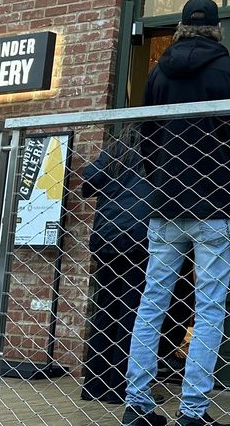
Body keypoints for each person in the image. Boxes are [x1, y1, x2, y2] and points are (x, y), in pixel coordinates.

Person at [123, 0, 230, 426]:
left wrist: (159, 182)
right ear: (217, 28)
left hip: (165, 204)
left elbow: (146, 136)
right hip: (214, 203)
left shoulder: (158, 73)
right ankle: (193, 412)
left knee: (152, 302)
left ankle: (137, 404)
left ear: (181, 27)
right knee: (209, 308)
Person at [81, 126, 154, 404]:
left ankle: (94, 386)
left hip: (107, 238)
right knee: (131, 312)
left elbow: (89, 182)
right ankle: (120, 386)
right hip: (139, 238)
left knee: (105, 309)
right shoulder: (156, 151)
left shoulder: (114, 153)